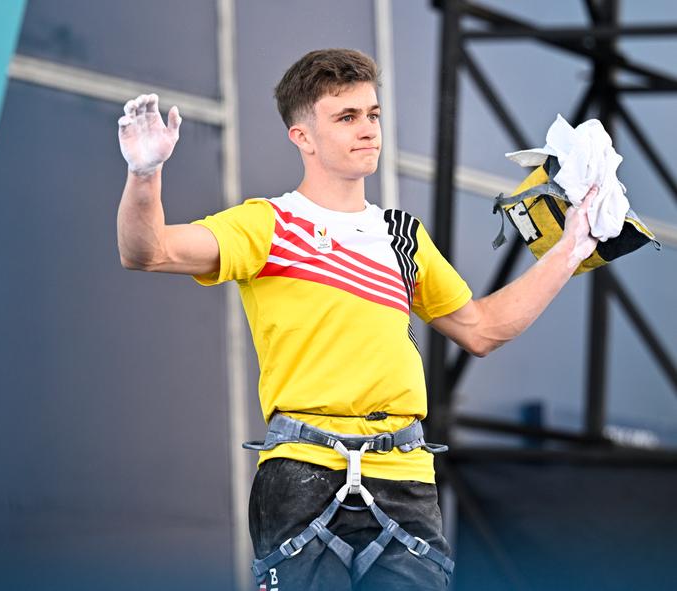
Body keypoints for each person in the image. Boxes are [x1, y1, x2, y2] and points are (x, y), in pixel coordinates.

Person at [116, 48, 598, 591]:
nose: (368, 130)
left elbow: (482, 330)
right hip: (302, 472)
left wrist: (570, 250)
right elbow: (148, 250)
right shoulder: (267, 224)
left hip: (406, 474)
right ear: (302, 136)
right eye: (346, 118)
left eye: (372, 114)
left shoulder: (403, 236)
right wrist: (145, 173)